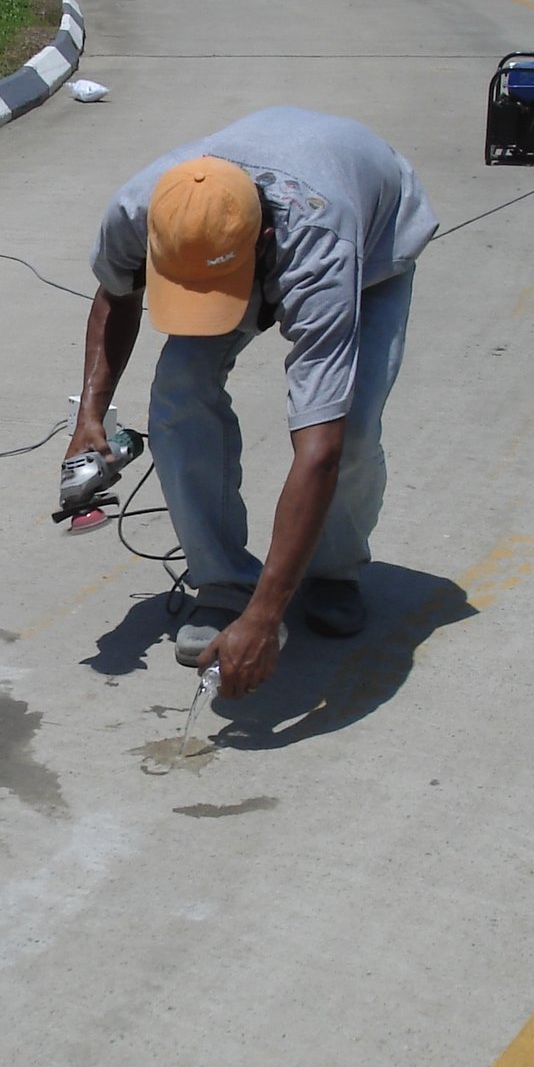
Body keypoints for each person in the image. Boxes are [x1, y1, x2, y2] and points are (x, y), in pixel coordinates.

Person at [68, 107, 437, 698]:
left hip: (371, 233)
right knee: (177, 393)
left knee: (356, 423)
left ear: (264, 244)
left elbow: (321, 449)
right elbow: (116, 294)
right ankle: (222, 585)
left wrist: (267, 621)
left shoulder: (321, 248)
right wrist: (89, 414)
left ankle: (332, 571)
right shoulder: (143, 208)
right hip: (250, 227)